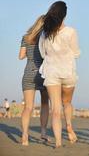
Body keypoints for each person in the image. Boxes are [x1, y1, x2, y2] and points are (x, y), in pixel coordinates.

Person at [39, 1, 80, 148]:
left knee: (55, 109)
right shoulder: (71, 32)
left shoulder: (45, 33)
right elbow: (76, 53)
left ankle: (57, 142)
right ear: (65, 15)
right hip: (68, 71)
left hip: (51, 72)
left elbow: (43, 53)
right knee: (67, 103)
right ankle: (69, 126)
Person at [19, 15, 50, 145]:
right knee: (44, 104)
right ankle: (43, 133)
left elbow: (20, 56)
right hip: (43, 73)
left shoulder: (26, 37)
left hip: (28, 73)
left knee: (28, 107)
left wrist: (30, 52)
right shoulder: (47, 37)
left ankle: (25, 135)